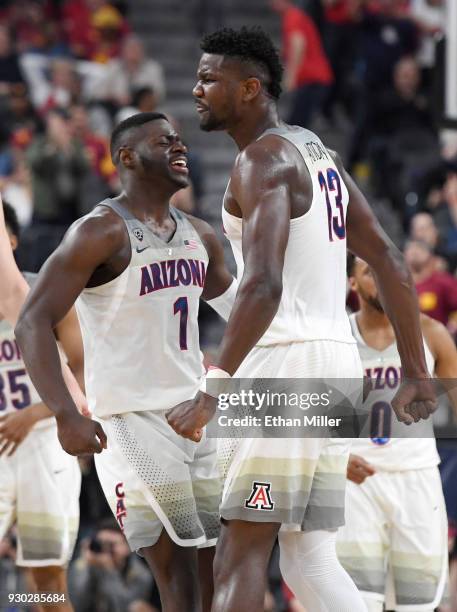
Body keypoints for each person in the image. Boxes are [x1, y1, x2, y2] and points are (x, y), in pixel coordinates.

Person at [166, 26, 436, 612]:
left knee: (238, 551)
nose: (196, 90)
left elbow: (263, 285)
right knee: (308, 557)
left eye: (210, 78)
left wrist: (215, 387)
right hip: (336, 362)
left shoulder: (261, 160)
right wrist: (415, 369)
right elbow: (388, 258)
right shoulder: (317, 150)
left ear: (250, 88)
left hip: (283, 365)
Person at [16, 111, 237, 612]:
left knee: (214, 563)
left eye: (181, 140)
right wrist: (66, 412)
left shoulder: (200, 235)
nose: (180, 148)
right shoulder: (99, 231)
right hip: (131, 420)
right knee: (178, 568)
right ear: (127, 157)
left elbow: (244, 312)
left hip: (194, 413)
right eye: (165, 142)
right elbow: (33, 320)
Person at [337, 254, 456, 612]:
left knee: (417, 605)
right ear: (352, 284)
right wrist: (333, 458)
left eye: (389, 272)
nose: (383, 279)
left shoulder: (430, 333)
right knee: (359, 603)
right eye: (370, 272)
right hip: (356, 481)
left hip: (416, 478)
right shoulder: (335, 337)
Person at [0, 202, 82, 611]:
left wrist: (34, 414)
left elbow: (85, 376)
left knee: (46, 577)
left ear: (10, 240)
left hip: (44, 440)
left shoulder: (45, 297)